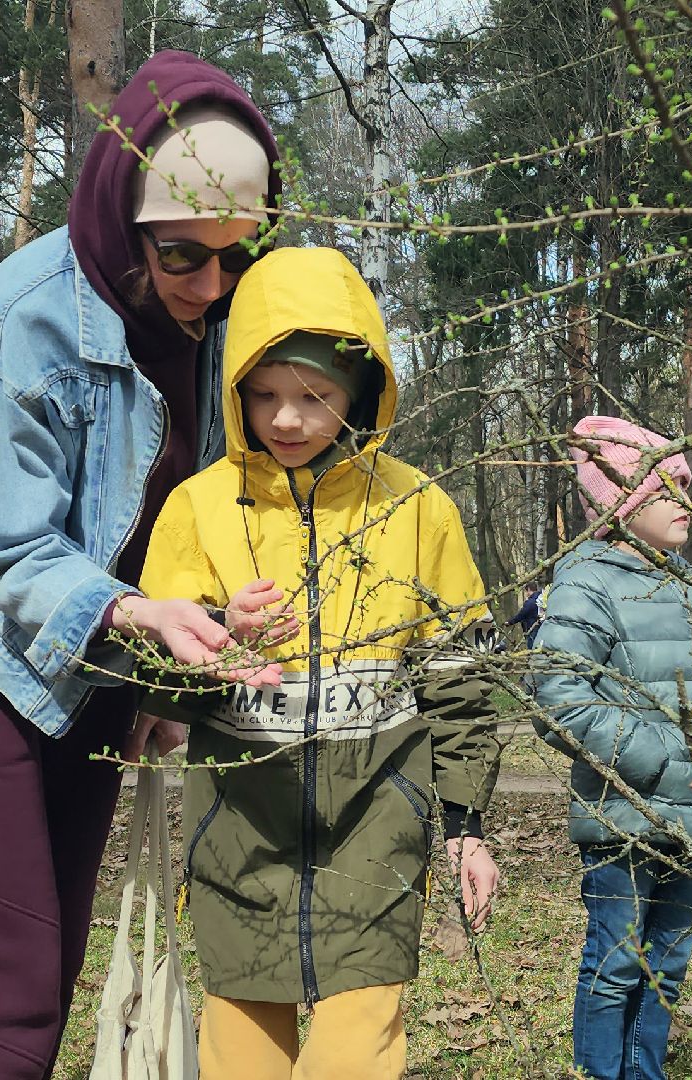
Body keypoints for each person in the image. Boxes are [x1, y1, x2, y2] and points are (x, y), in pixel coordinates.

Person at [0, 52, 288, 1076]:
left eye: (240, 256)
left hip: (109, 654)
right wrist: (138, 619)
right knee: (4, 983)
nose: (212, 287)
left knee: (53, 959)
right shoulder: (20, 324)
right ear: (125, 221)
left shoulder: (217, 322)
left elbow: (178, 514)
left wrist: (165, 660)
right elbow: (12, 551)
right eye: (183, 258)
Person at [138, 246, 504, 1080]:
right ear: (233, 392)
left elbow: (459, 682)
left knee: (355, 1055)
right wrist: (211, 632)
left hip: (379, 821)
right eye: (263, 395)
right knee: (241, 1057)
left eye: (316, 396)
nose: (287, 420)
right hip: (239, 828)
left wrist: (465, 826)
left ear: (364, 392)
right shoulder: (196, 507)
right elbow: (151, 679)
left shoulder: (417, 506)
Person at [532, 415, 692, 1080]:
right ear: (618, 497)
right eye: (665, 488)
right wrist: (652, 761)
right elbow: (557, 696)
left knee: (666, 968)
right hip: (626, 819)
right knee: (616, 964)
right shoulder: (584, 581)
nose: (686, 503)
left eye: (686, 487)